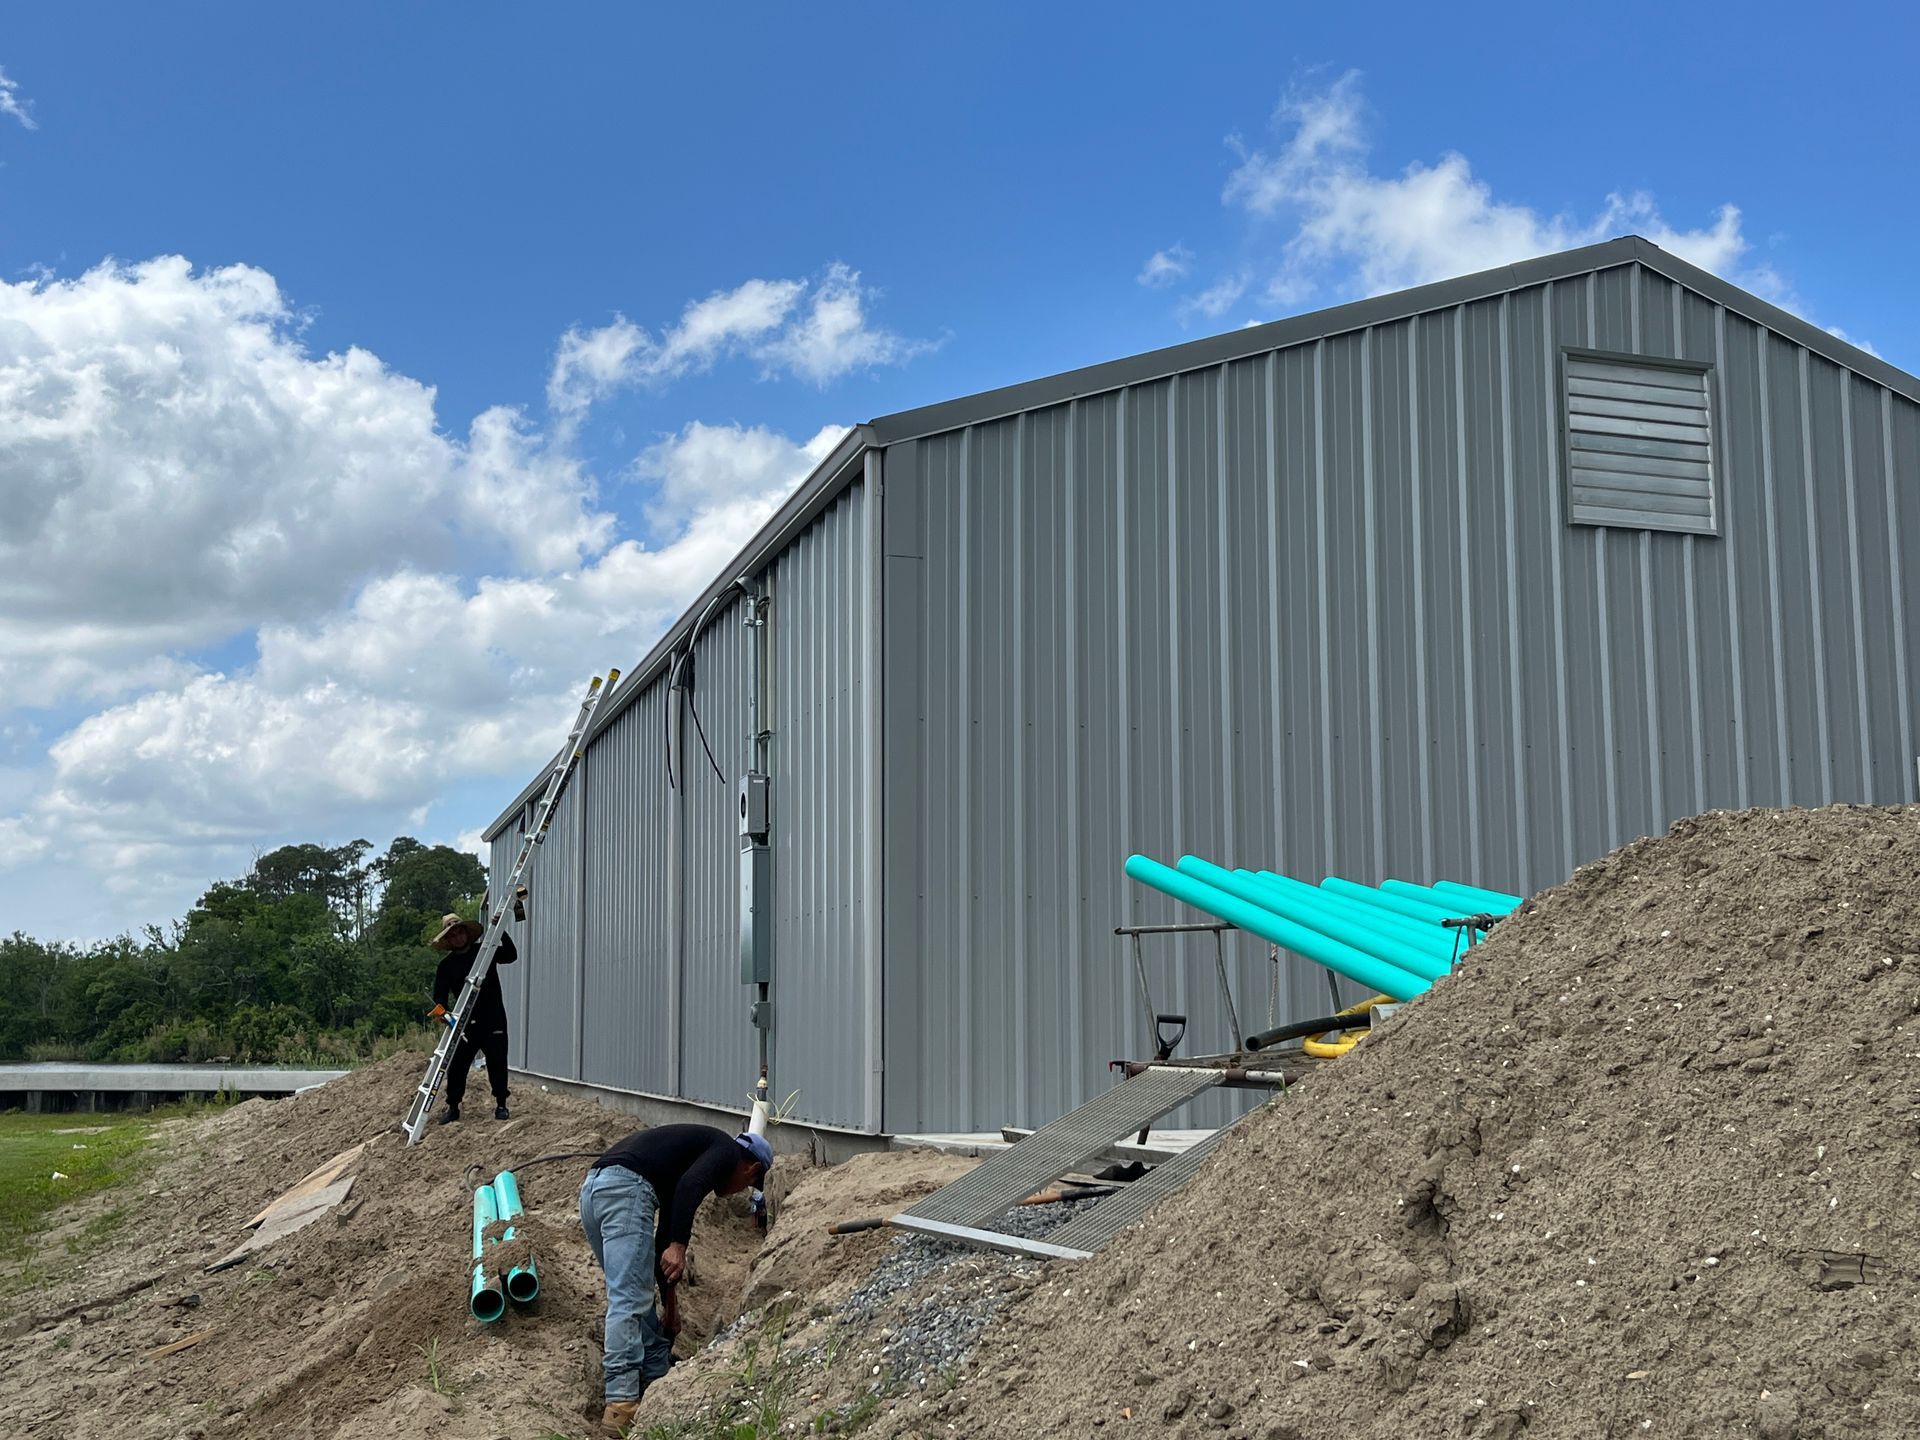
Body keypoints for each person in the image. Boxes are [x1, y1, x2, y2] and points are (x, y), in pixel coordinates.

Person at [580, 1124, 774, 1434]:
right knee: (629, 1301)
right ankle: (622, 1405)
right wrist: (680, 1246)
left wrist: (670, 1307)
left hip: (595, 1190)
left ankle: (657, 1379)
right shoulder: (724, 1150)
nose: (738, 1191)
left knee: (634, 1294)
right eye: (746, 1185)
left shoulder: (679, 1165)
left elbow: (661, 1242)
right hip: (625, 1192)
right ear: (750, 1169)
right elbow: (691, 1187)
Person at [428, 912, 517, 1122]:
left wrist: (500, 930)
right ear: (448, 940)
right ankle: (453, 1107)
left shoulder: (485, 952)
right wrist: (443, 1015)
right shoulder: (446, 967)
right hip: (465, 1023)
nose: (457, 937)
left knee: (497, 1062)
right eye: (452, 935)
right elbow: (439, 999)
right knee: (457, 1065)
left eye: (460, 932)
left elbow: (511, 955)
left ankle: (501, 1105)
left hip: (493, 1018)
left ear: (467, 934)